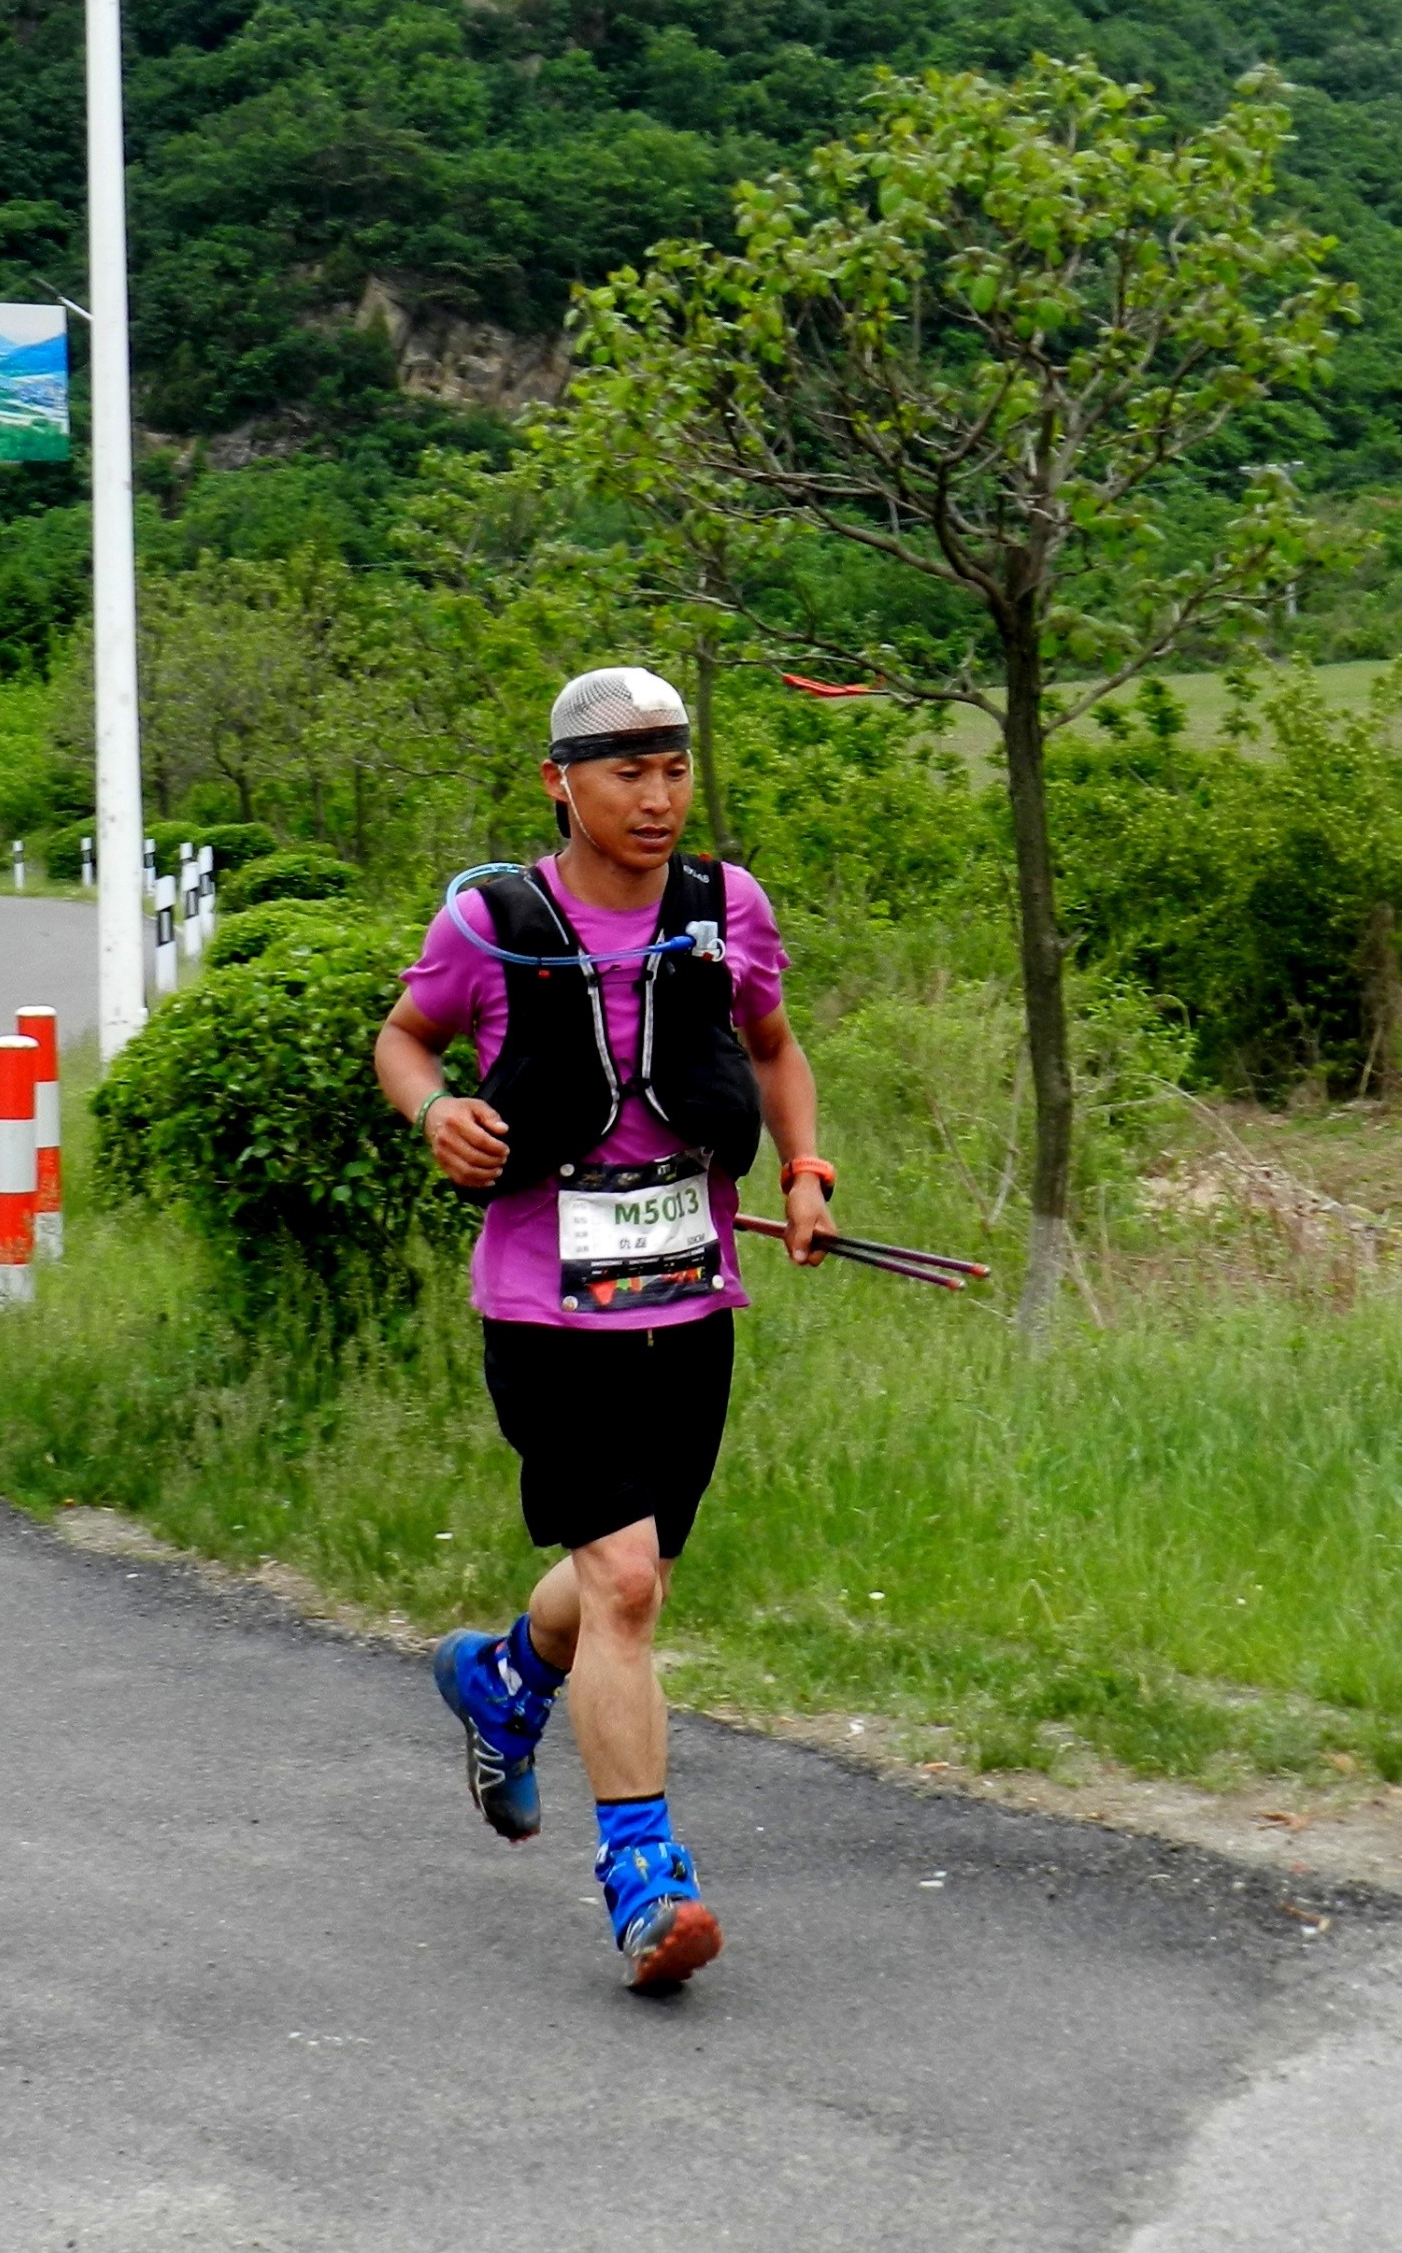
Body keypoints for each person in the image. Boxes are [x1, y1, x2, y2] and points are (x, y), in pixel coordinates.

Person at [374, 666, 836, 1994]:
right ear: (559, 780)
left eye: (673, 769)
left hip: (690, 1302)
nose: (655, 797)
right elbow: (404, 1039)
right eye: (625, 770)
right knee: (625, 1582)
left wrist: (803, 1172)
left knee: (622, 1581)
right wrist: (430, 1111)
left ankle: (504, 1681)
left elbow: (772, 1047)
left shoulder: (723, 908)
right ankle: (644, 1880)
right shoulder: (489, 921)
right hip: (542, 1302)